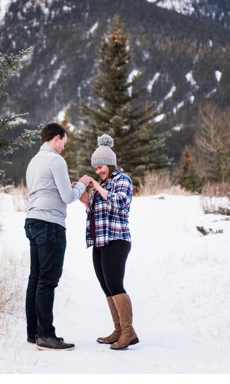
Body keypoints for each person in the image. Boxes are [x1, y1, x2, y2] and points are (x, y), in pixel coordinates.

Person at [24, 122, 91, 350]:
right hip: (50, 224)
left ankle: (34, 333)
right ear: (56, 138)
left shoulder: (34, 161)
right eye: (64, 142)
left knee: (35, 279)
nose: (64, 147)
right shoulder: (55, 160)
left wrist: (72, 189)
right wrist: (82, 185)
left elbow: (46, 190)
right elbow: (67, 196)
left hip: (32, 221)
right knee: (47, 280)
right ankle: (46, 335)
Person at [80, 134, 139, 350]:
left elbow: (118, 204)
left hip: (117, 239)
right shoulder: (102, 185)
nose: (98, 171)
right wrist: (84, 198)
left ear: (110, 163)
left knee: (115, 284)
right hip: (100, 240)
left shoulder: (122, 180)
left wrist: (97, 186)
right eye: (95, 169)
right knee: (106, 286)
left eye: (101, 167)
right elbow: (96, 212)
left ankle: (129, 332)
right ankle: (118, 330)